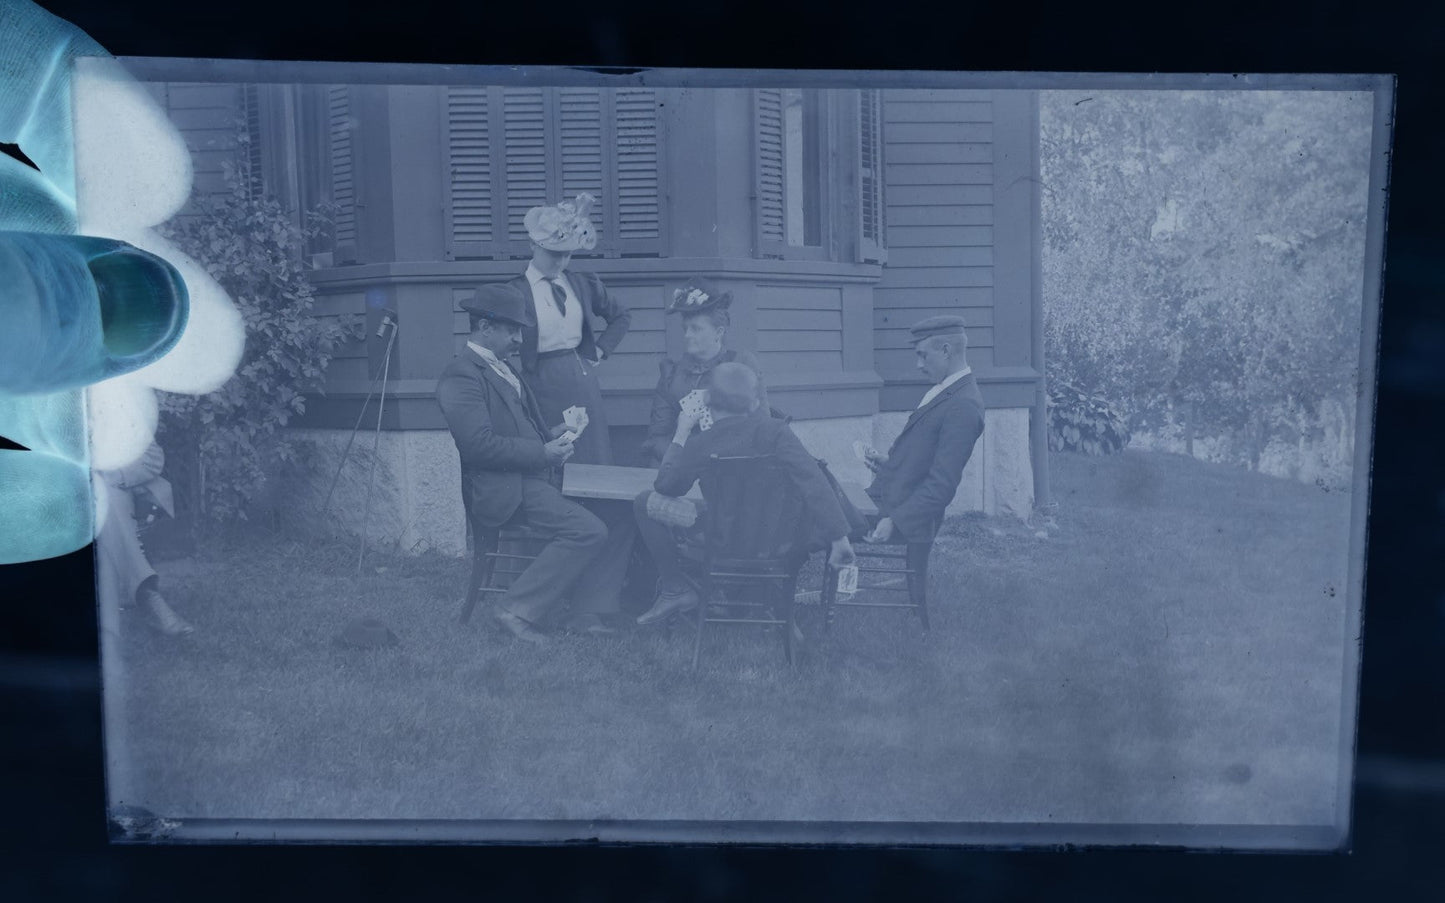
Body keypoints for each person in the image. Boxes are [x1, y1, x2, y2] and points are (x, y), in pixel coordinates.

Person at [436, 283, 633, 643]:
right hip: (503, 490)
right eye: (512, 330)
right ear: (485, 328)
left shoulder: (506, 370)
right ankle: (514, 610)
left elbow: (522, 431)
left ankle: (587, 611)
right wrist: (543, 454)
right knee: (588, 529)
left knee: (619, 513)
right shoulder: (462, 374)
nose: (518, 339)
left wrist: (556, 433)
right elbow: (477, 445)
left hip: (532, 480)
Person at [632, 362, 855, 626]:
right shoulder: (778, 432)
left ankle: (675, 588)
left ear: (708, 402)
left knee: (644, 502)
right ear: (753, 404)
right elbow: (814, 481)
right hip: (776, 544)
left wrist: (681, 433)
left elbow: (666, 486)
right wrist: (839, 538)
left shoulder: (702, 442)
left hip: (721, 543)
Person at [505, 192, 631, 465]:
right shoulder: (515, 291)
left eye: (567, 255)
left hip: (580, 378)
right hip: (537, 381)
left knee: (590, 456)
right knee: (552, 453)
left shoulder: (582, 283)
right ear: (533, 245)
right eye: (553, 254)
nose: (560, 263)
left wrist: (600, 350)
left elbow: (621, 316)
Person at [862, 315, 986, 544]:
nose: (918, 365)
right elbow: (922, 460)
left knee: (815, 514)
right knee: (821, 501)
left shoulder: (964, 405)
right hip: (887, 497)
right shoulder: (946, 390)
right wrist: (890, 464)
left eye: (923, 355)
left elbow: (942, 485)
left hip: (898, 514)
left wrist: (895, 521)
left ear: (946, 351)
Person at [639, 278, 770, 466]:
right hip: (684, 467)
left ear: (719, 332)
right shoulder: (672, 375)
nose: (687, 336)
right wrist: (686, 461)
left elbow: (762, 425)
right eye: (685, 329)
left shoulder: (742, 365)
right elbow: (657, 436)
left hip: (734, 466)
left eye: (696, 329)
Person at [94, 439, 193, 636]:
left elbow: (152, 458)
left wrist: (116, 474)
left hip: (116, 488)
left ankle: (143, 592)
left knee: (106, 498)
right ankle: (145, 595)